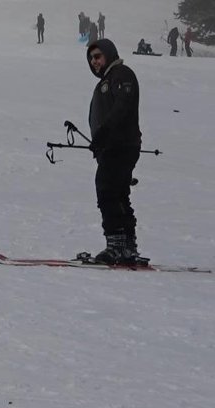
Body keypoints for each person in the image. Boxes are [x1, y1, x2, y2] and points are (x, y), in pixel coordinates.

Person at [86, 39, 143, 265]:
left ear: (109, 54)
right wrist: (99, 140)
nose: (95, 62)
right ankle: (127, 246)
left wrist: (104, 133)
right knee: (118, 194)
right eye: (91, 59)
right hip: (112, 147)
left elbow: (123, 106)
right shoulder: (108, 79)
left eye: (98, 56)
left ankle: (117, 246)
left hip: (121, 145)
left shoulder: (121, 73)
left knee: (107, 191)